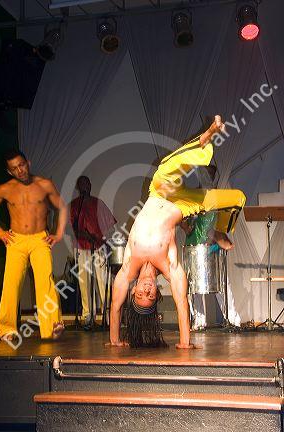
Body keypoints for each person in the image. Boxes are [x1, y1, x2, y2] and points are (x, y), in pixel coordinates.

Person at [109, 115, 246, 349]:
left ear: (133, 292)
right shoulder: (170, 265)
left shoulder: (128, 266)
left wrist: (114, 341)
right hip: (183, 205)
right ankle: (219, 231)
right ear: (157, 296)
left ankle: (206, 137)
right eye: (150, 296)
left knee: (168, 167)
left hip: (160, 192)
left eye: (141, 294)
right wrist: (185, 342)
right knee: (237, 198)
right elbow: (182, 303)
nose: (146, 291)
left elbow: (115, 306)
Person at [0, 149, 67, 342]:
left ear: (28, 162)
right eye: (14, 168)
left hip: (39, 239)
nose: (20, 170)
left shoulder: (44, 184)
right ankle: (6, 329)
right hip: (16, 241)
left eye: (22, 165)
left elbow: (61, 206)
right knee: (11, 283)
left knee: (45, 281)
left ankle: (51, 327)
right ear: (10, 172)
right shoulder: (4, 189)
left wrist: (58, 233)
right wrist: (0, 232)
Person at [70, 176, 116, 327]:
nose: (85, 186)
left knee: (103, 282)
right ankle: (88, 316)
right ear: (79, 187)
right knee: (84, 283)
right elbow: (71, 228)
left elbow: (110, 226)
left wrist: (106, 241)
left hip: (99, 247)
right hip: (82, 247)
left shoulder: (98, 203)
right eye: (82, 184)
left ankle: (108, 317)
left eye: (87, 183)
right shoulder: (75, 205)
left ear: (90, 185)